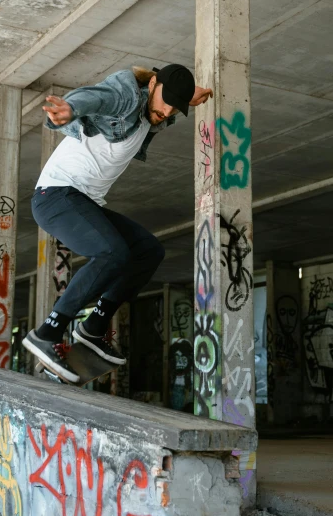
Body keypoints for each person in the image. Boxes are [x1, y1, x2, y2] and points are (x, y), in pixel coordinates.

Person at [23, 64, 212, 383]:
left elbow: (168, 105)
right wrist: (71, 108)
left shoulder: (158, 112)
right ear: (152, 84)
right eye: (165, 101)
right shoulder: (126, 96)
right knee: (112, 254)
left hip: (82, 200)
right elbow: (96, 97)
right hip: (56, 195)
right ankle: (47, 333)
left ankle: (92, 328)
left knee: (148, 250)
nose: (165, 112)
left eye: (173, 108)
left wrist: (184, 97)